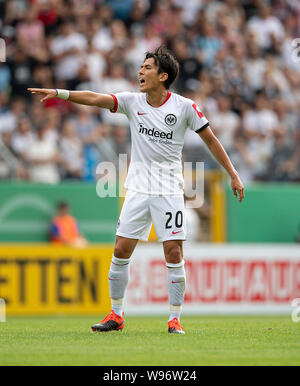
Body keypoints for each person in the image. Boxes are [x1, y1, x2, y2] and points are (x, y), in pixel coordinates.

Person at [28, 46, 244, 334]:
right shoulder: (132, 102)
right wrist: (60, 93)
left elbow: (212, 140)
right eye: (141, 67)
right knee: (120, 249)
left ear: (163, 75)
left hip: (169, 190)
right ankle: (116, 315)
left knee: (173, 253)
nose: (140, 71)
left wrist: (232, 174)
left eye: (147, 67)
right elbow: (95, 98)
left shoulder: (184, 107)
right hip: (138, 189)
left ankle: (174, 318)